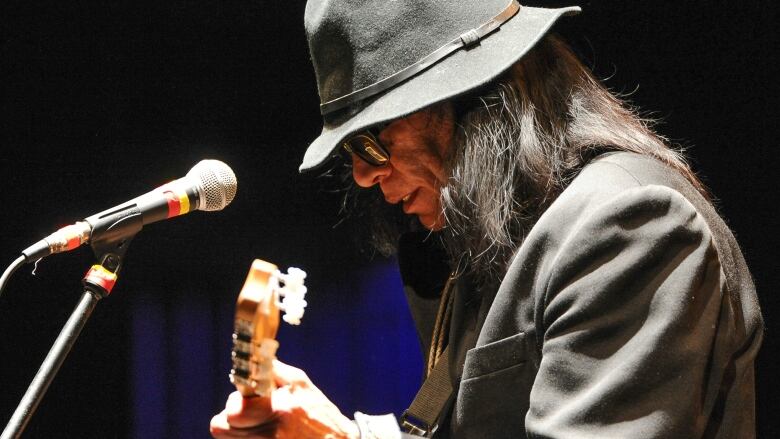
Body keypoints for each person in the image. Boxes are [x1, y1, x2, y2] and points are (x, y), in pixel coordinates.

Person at [211, 1, 763, 437]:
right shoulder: (499, 237)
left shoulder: (630, 226)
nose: (360, 175)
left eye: (372, 143)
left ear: (474, 102)